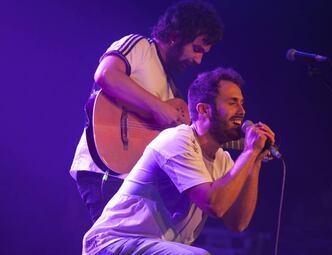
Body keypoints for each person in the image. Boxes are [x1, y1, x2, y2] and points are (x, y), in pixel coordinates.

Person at [82, 67, 276, 255]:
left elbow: (237, 222)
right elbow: (214, 205)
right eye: (233, 102)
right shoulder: (177, 140)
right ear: (204, 110)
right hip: (111, 244)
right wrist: (249, 152)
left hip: (152, 247)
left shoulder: (222, 160)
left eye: (242, 103)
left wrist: (255, 161)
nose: (242, 111)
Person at [70, 0, 224, 222]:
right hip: (105, 169)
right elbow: (106, 74)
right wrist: (158, 107)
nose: (199, 59)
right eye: (196, 48)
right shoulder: (140, 46)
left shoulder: (171, 86)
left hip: (131, 179)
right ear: (175, 36)